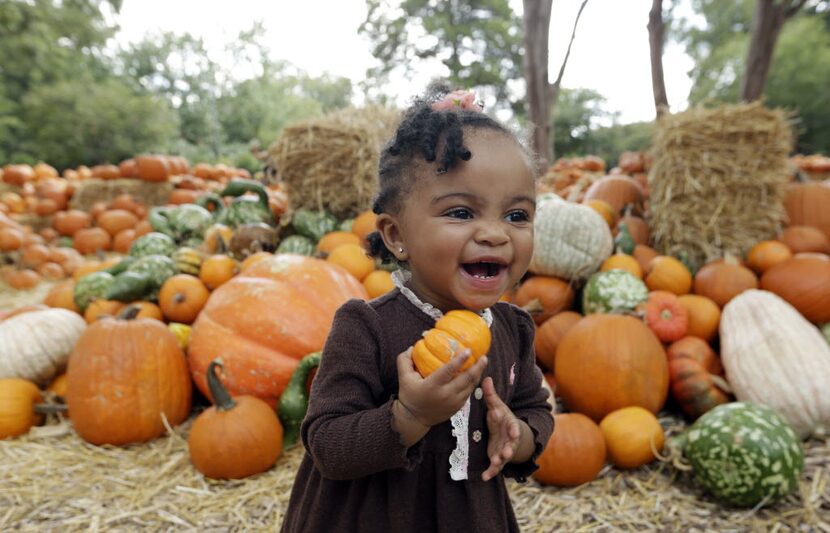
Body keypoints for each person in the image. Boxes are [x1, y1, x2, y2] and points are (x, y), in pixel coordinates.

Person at [281, 82, 554, 533]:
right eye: (462, 213)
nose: (495, 234)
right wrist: (410, 416)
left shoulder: (515, 329)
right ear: (396, 235)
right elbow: (325, 443)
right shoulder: (365, 327)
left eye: (517, 215)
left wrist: (520, 438)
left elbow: (534, 408)